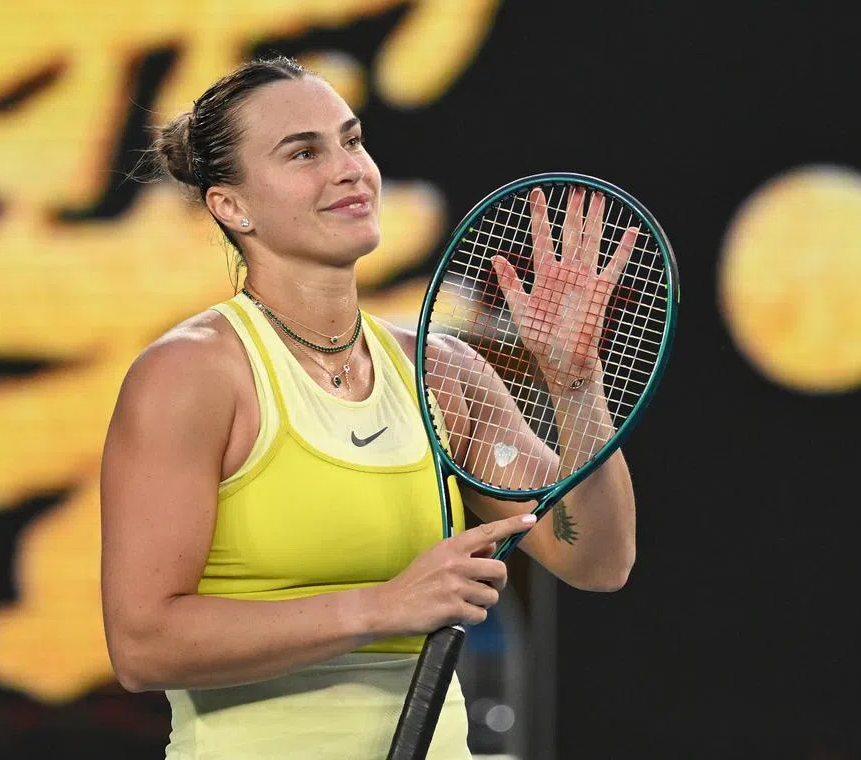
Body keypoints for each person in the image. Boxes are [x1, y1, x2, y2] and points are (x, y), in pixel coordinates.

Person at [100, 55, 636, 759]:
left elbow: (594, 557)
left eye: (352, 140)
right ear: (232, 205)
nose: (350, 168)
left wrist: (574, 387)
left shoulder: (440, 373)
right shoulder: (192, 374)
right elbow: (143, 645)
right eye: (304, 152)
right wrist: (380, 608)